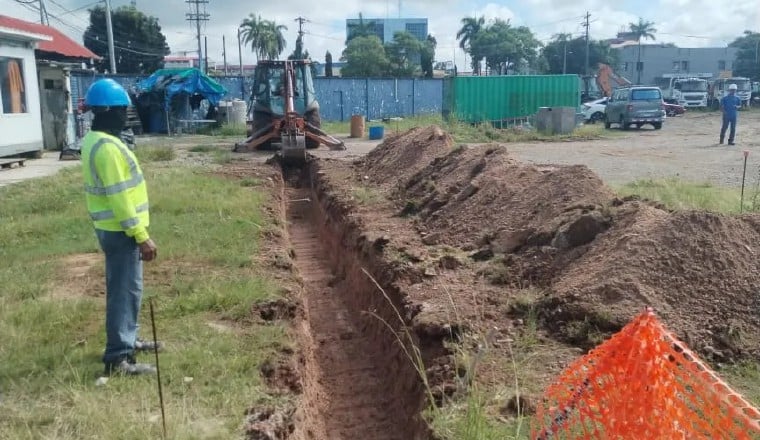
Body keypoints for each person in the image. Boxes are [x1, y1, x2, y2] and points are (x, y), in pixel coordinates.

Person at [81, 79, 161, 375]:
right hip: (121, 230)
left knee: (130, 289)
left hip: (114, 229)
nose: (124, 115)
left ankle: (128, 338)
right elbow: (120, 198)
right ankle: (118, 357)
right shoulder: (107, 148)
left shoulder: (99, 140)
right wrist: (141, 236)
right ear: (105, 111)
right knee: (124, 291)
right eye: (120, 110)